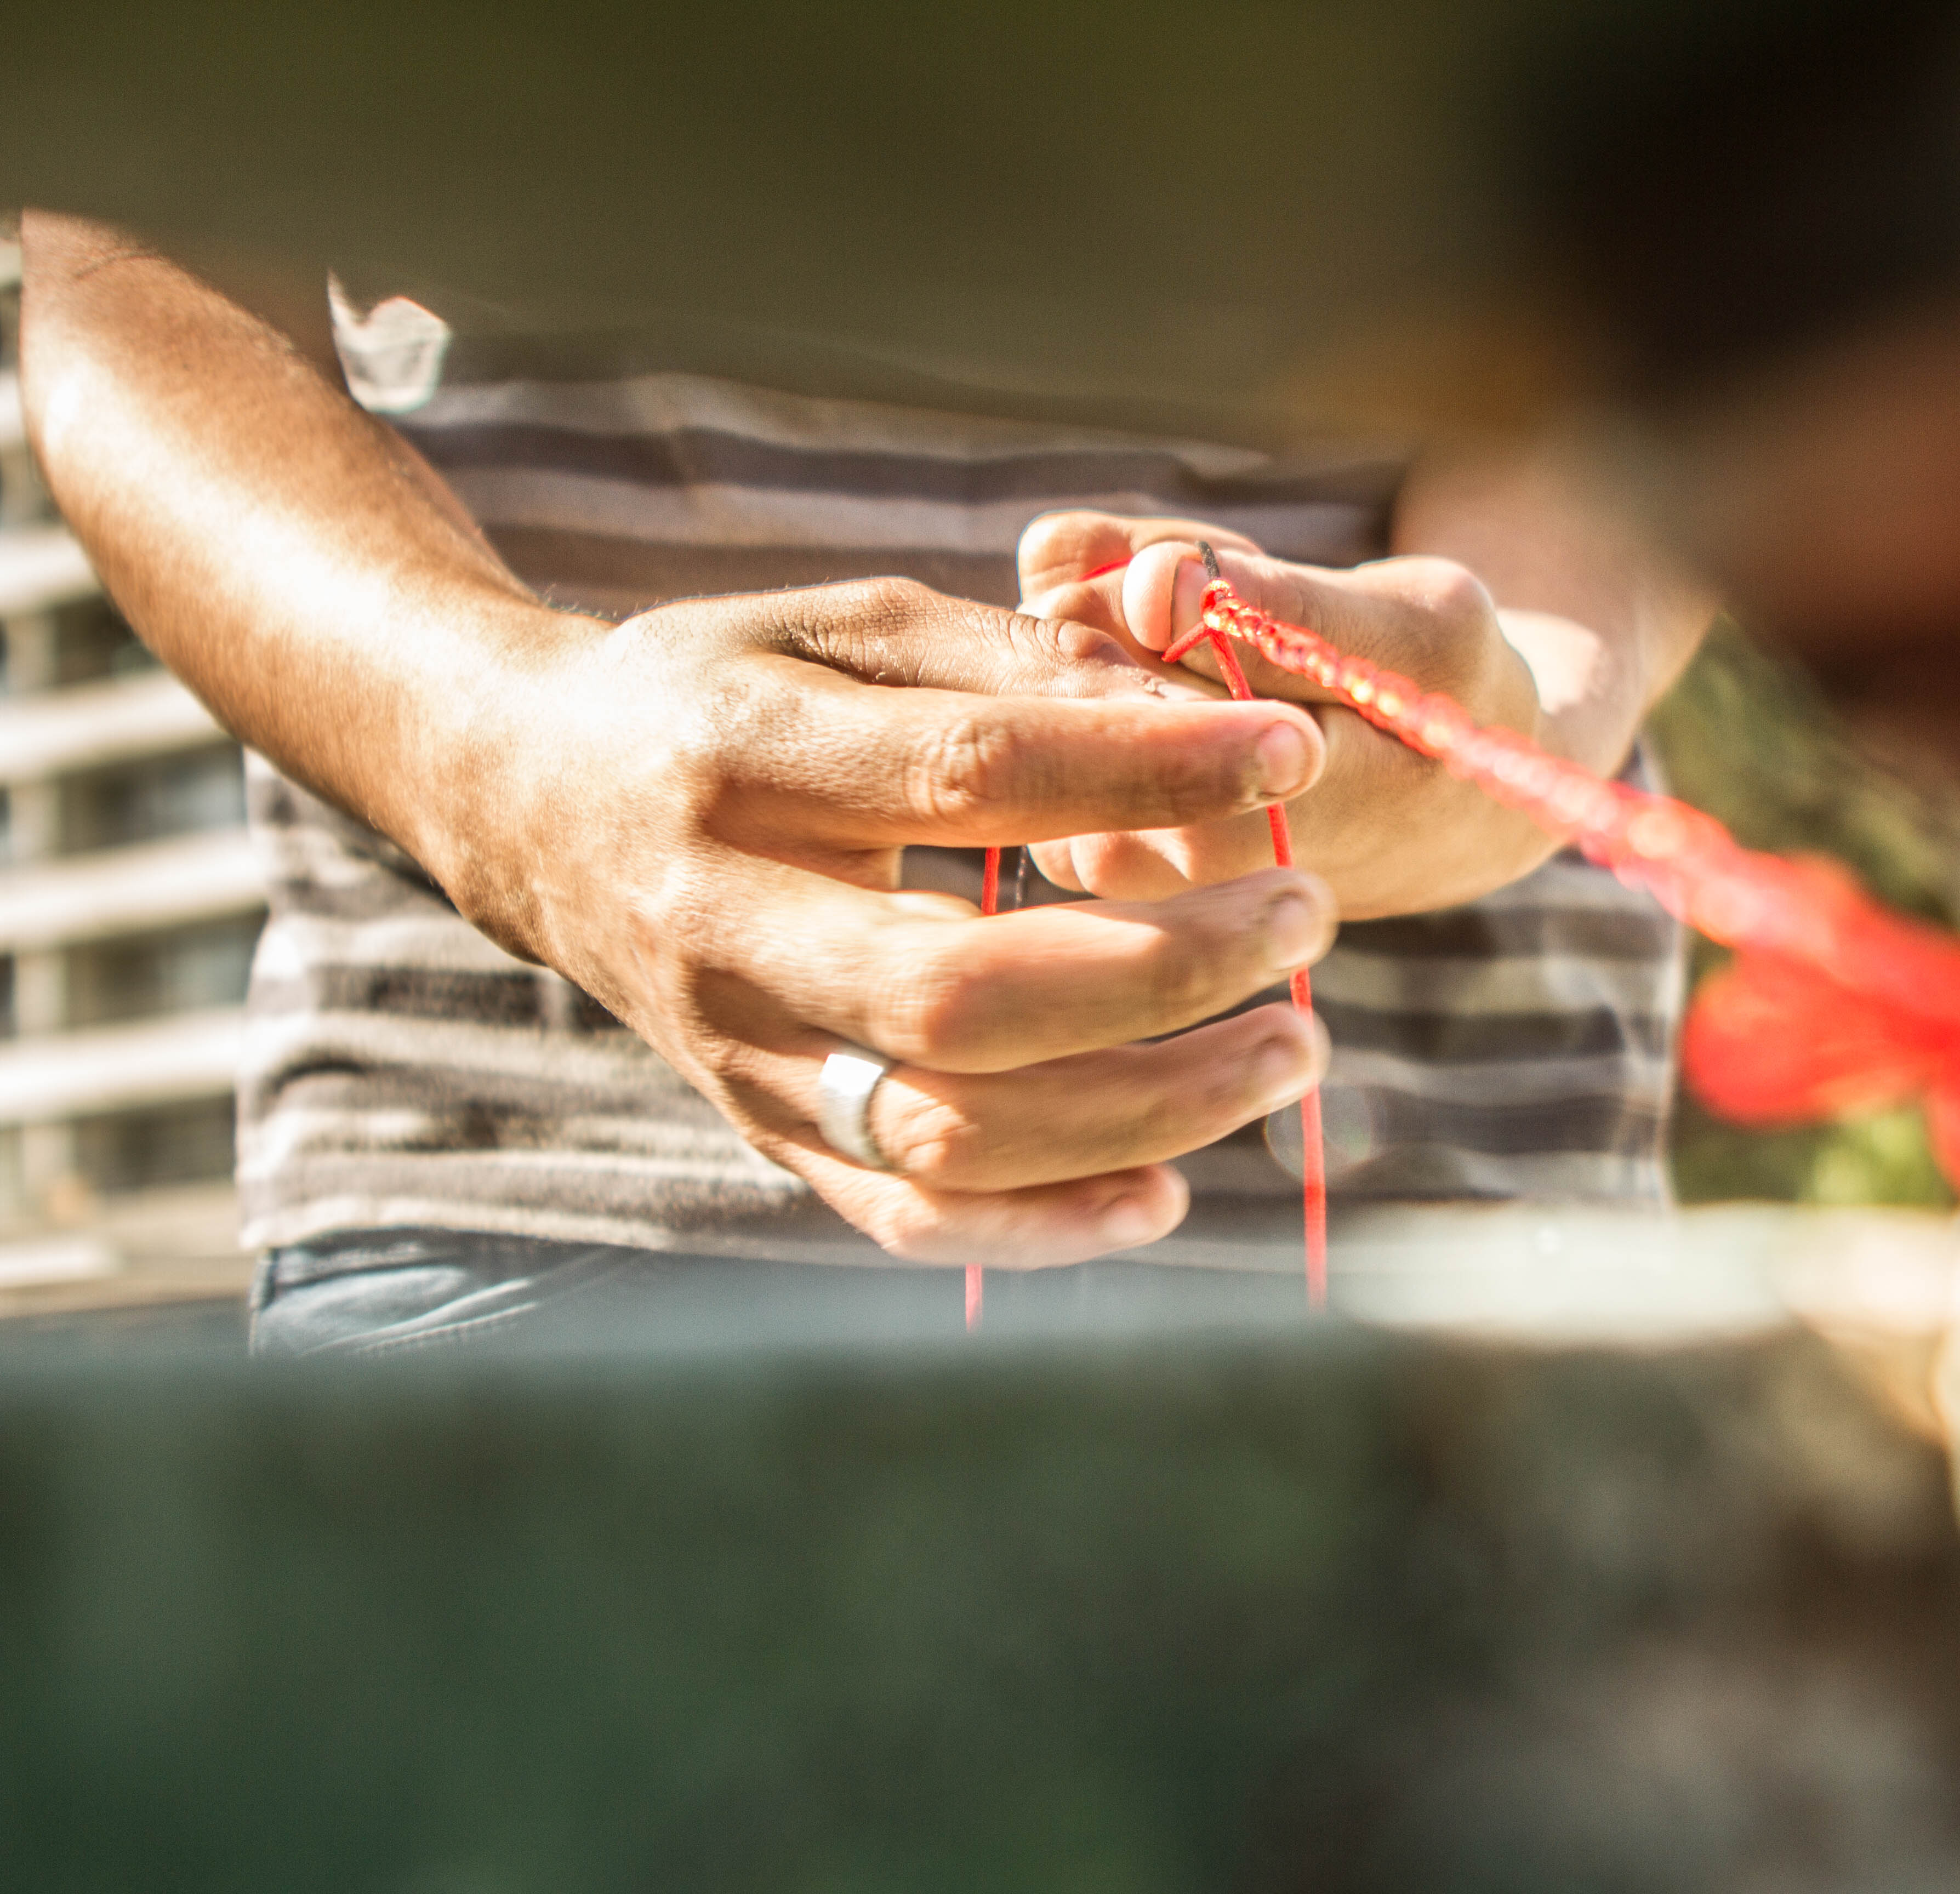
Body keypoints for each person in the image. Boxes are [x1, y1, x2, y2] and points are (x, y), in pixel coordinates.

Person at [16, 211, 1711, 1350]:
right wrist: (508, 768)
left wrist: (1519, 735)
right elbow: (130, 252)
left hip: (1473, 1270)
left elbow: (1725, 237)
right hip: (541, 1243)